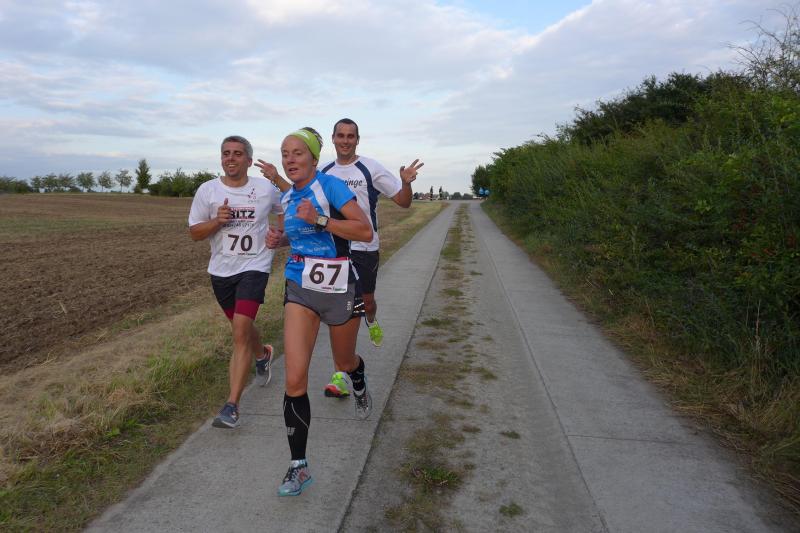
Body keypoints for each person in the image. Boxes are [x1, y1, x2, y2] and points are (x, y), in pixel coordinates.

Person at [258, 119, 423, 400]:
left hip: (364, 247)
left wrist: (406, 183)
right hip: (330, 251)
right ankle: (340, 376)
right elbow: (298, 195)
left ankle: (369, 322)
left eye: (351, 136)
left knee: (366, 303)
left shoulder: (370, 168)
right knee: (333, 316)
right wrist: (276, 178)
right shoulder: (323, 171)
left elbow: (403, 202)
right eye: (340, 136)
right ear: (333, 139)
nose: (345, 141)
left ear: (357, 140)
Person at [265, 128, 374, 497]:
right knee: (295, 378)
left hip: (340, 287)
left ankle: (357, 378)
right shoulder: (287, 196)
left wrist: (321, 220)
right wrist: (279, 240)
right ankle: (298, 466)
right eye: (285, 153)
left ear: (313, 158)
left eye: (297, 153)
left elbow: (363, 231)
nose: (290, 159)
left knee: (344, 361)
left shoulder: (331, 187)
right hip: (300, 286)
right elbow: (299, 237)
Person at [188, 135, 283, 429]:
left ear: (249, 160)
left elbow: (285, 210)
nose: (231, 158)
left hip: (255, 265)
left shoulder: (265, 189)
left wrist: (279, 234)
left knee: (240, 331)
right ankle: (263, 354)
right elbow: (195, 233)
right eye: (226, 153)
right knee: (242, 328)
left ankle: (231, 406)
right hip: (221, 271)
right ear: (221, 158)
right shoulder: (208, 190)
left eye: (238, 153)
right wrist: (217, 221)